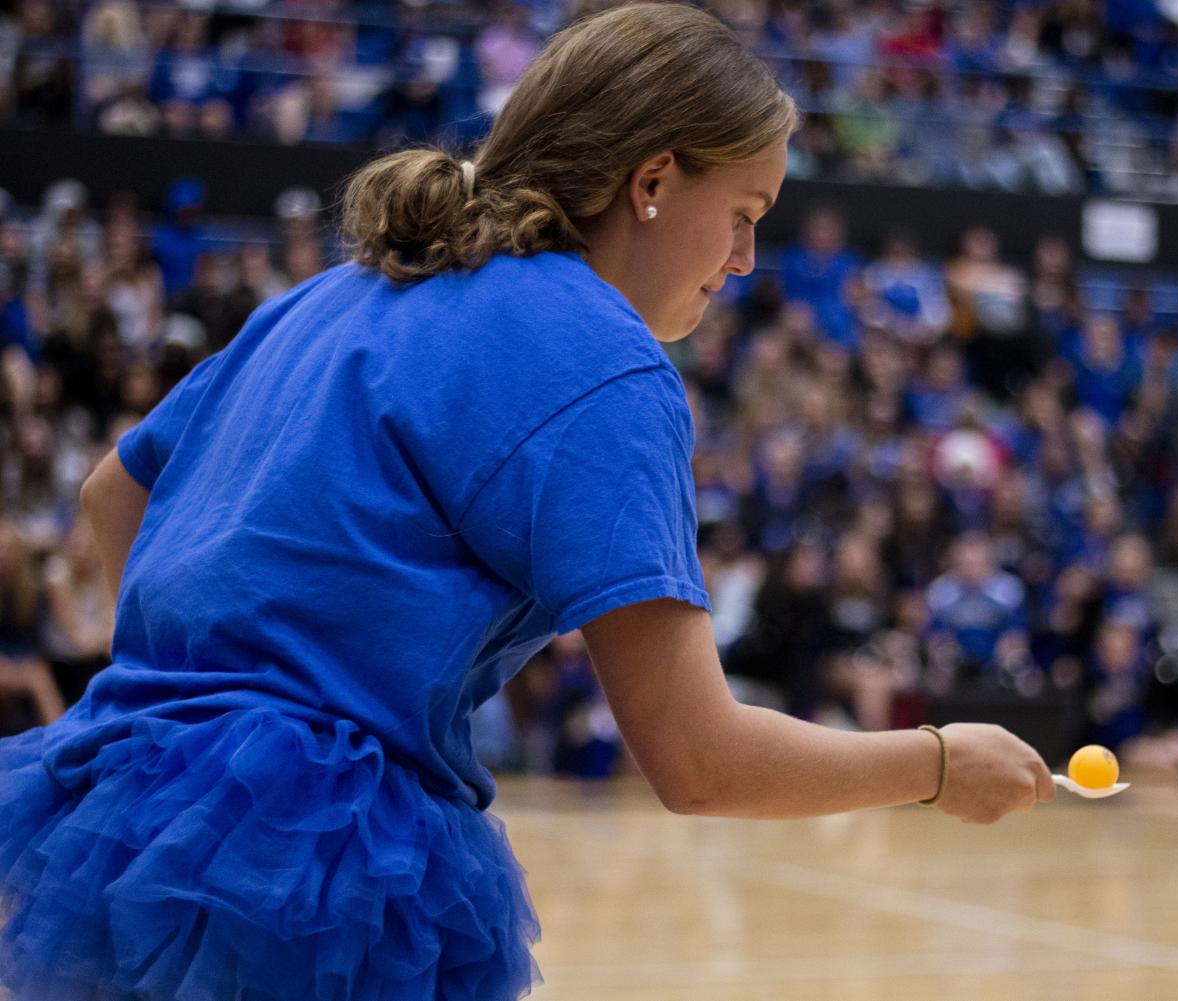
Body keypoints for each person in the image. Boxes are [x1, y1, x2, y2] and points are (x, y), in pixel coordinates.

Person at [0, 6, 1054, 1001]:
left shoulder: (339, 292)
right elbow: (698, 759)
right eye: (742, 216)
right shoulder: (604, 359)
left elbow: (114, 489)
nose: (742, 260)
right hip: (312, 841)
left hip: (123, 791)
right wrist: (937, 762)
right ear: (650, 180)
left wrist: (209, 678)